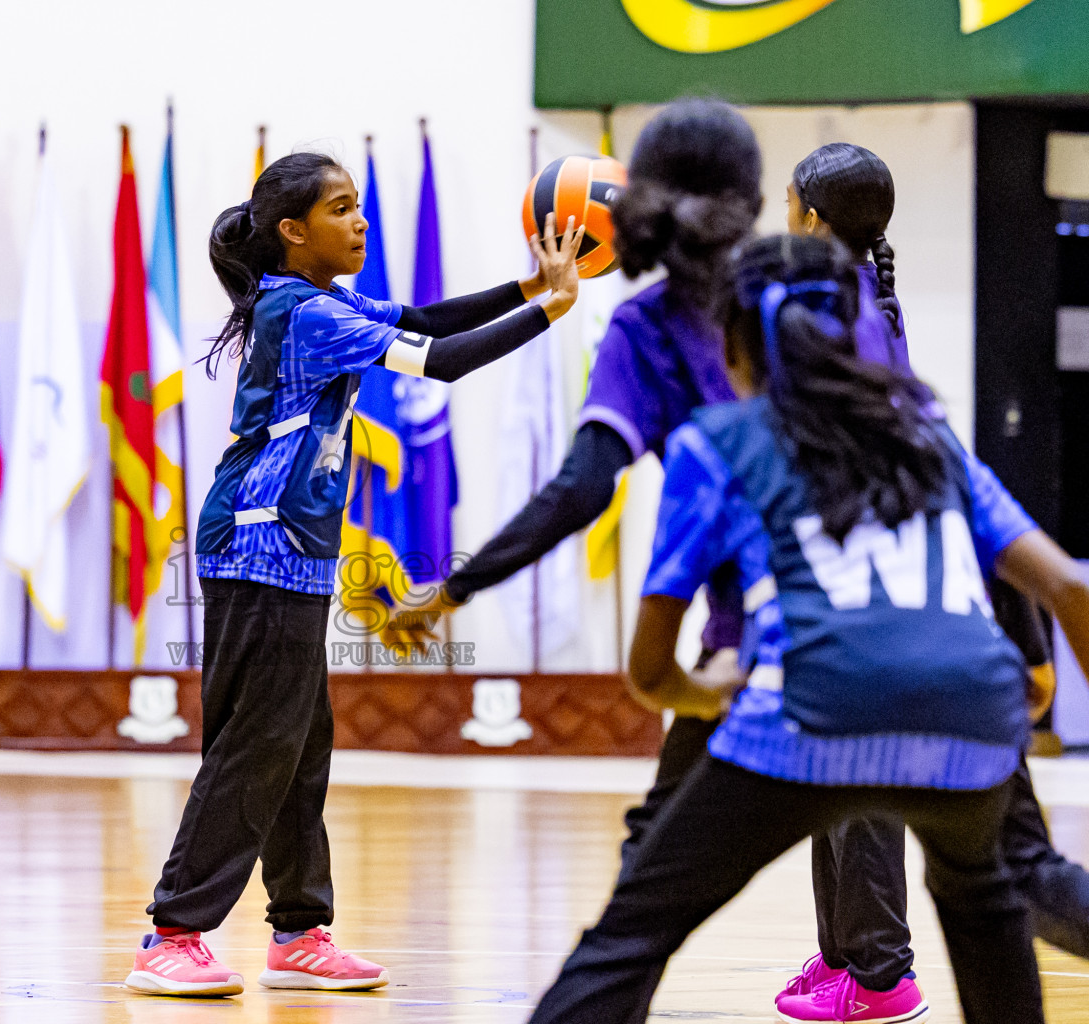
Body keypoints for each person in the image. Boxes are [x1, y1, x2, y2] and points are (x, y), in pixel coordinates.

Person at [528, 231, 1080, 1024]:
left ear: (736, 344)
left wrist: (710, 689)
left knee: (631, 933)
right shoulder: (931, 436)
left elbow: (650, 673)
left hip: (809, 714)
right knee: (983, 907)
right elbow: (1064, 587)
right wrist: (1024, 691)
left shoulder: (719, 442)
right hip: (972, 725)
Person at [125, 151, 585, 997]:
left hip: (290, 551)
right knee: (256, 744)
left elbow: (425, 318)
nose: (360, 221)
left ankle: (299, 931)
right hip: (257, 546)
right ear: (293, 233)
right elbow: (437, 360)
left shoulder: (320, 301)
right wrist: (549, 312)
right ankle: (172, 932)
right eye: (341, 209)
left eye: (360, 206)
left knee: (299, 744)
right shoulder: (301, 314)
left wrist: (526, 289)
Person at [407, 97, 764, 873]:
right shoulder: (823, 297)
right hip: (906, 609)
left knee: (657, 858)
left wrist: (455, 587)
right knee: (975, 861)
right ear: (755, 202)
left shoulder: (650, 327)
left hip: (765, 631)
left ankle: (868, 968)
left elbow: (582, 488)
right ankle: (874, 972)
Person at [775, 142, 1089, 1023]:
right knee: (854, 793)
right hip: (894, 614)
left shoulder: (836, 331)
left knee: (984, 860)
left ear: (808, 217)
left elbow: (960, 490)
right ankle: (853, 957)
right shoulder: (845, 311)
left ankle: (877, 970)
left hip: (905, 619)